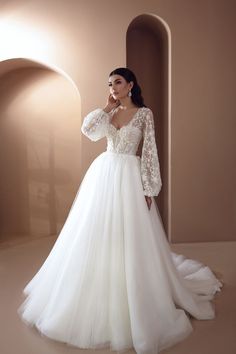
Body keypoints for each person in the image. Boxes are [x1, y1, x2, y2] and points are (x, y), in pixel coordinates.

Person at [18, 67, 223, 354]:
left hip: (129, 175)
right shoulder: (109, 114)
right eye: (110, 84)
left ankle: (131, 289)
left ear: (131, 85)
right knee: (96, 233)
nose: (113, 87)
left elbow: (149, 150)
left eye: (118, 82)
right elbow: (89, 132)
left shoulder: (144, 114)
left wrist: (149, 189)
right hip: (103, 174)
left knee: (128, 235)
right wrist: (107, 107)